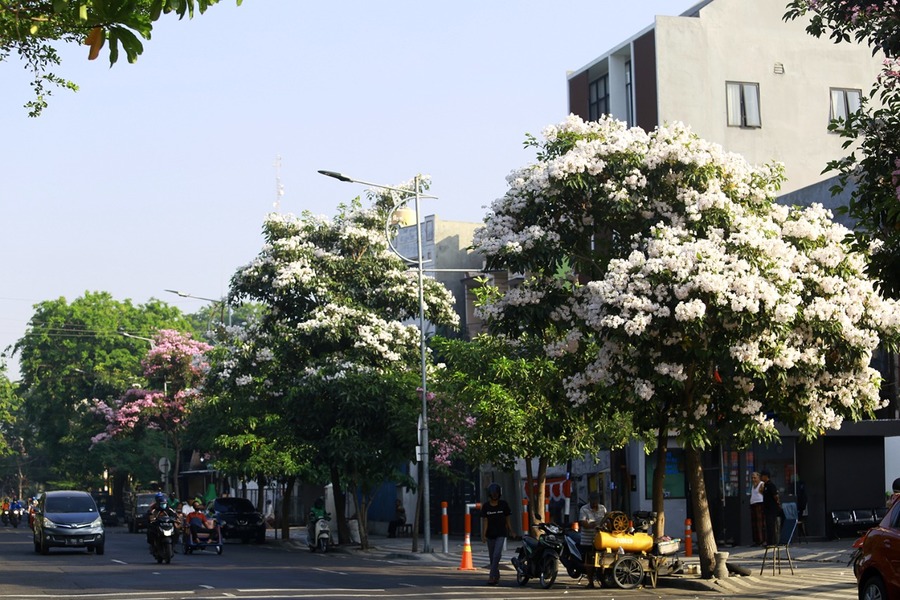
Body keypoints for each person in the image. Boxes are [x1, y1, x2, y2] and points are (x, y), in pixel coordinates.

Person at [480, 483, 512, 586]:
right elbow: (485, 521)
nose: (495, 495)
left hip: (501, 533)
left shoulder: (503, 505)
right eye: (493, 493)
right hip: (490, 534)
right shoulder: (486, 506)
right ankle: (496, 575)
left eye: (496, 493)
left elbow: (507, 518)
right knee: (492, 557)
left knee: (497, 555)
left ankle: (491, 576)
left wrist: (511, 530)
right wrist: (484, 535)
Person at [577, 491, 607, 588]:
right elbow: (583, 522)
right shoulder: (584, 509)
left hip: (600, 540)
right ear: (589, 500)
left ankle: (603, 581)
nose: (594, 503)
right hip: (587, 541)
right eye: (593, 501)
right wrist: (592, 525)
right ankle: (591, 582)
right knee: (589, 562)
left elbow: (606, 520)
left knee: (602, 561)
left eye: (596, 501)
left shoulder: (603, 509)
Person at [760, 470, 780, 546]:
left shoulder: (771, 485)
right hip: (767, 509)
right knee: (768, 526)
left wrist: (777, 503)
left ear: (766, 476)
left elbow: (776, 496)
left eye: (762, 476)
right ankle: (769, 542)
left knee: (771, 525)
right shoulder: (765, 485)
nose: (761, 477)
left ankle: (772, 542)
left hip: (772, 509)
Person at [749, 472, 765, 546]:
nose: (753, 479)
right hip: (753, 504)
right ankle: (756, 540)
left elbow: (763, 494)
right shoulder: (753, 486)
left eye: (755, 478)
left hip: (759, 504)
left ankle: (761, 540)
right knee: (754, 523)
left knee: (759, 523)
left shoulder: (761, 484)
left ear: (759, 477)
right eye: (752, 478)